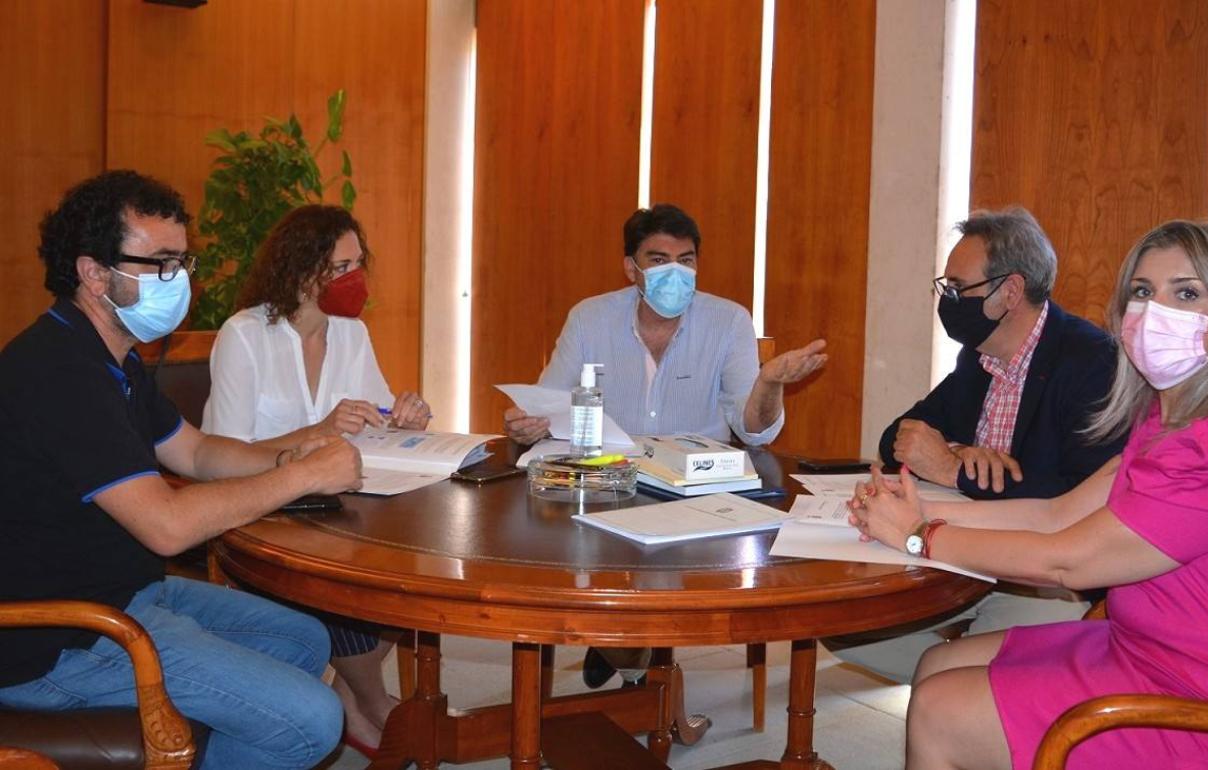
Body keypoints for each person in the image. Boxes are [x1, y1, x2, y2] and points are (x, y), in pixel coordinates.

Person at [850, 220, 1208, 769]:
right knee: (936, 668)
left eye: (1185, 293)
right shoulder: (1162, 421)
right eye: (1141, 292)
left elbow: (1069, 562)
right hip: (1135, 645)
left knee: (939, 710)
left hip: (1203, 696)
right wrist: (915, 507)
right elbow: (1057, 513)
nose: (1155, 312)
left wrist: (921, 536)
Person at [0, 170, 363, 769]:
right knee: (313, 722)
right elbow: (166, 527)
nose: (181, 281)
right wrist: (300, 478)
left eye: (182, 262)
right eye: (162, 264)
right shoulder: (57, 373)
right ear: (94, 273)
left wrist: (288, 457)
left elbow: (195, 452)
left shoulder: (113, 358)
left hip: (122, 593)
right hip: (56, 638)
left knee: (304, 638)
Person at [504, 203, 827, 688]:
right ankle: (624, 642)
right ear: (631, 268)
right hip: (611, 478)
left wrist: (770, 384)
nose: (674, 271)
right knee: (562, 539)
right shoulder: (590, 318)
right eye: (658, 260)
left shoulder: (728, 321)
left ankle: (626, 646)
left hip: (698, 487)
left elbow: (756, 430)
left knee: (660, 553)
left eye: (687, 259)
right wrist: (529, 424)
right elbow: (552, 403)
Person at [831, 209, 1124, 683]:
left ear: (1009, 291)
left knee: (951, 676)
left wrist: (953, 471)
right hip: (961, 551)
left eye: (956, 288)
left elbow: (1082, 498)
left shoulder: (1091, 362)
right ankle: (965, 677)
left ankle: (970, 690)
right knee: (842, 619)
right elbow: (899, 436)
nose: (946, 300)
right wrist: (957, 449)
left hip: (1044, 577)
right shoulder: (980, 355)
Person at [202, 204, 429, 755]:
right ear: (302, 270)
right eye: (340, 267)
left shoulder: (352, 335)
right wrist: (318, 429)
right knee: (343, 582)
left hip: (344, 503)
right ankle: (373, 704)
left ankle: (350, 693)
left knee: (410, 572)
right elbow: (220, 455)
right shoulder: (245, 335)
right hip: (264, 512)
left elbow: (372, 426)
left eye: (358, 264)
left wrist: (405, 418)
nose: (355, 280)